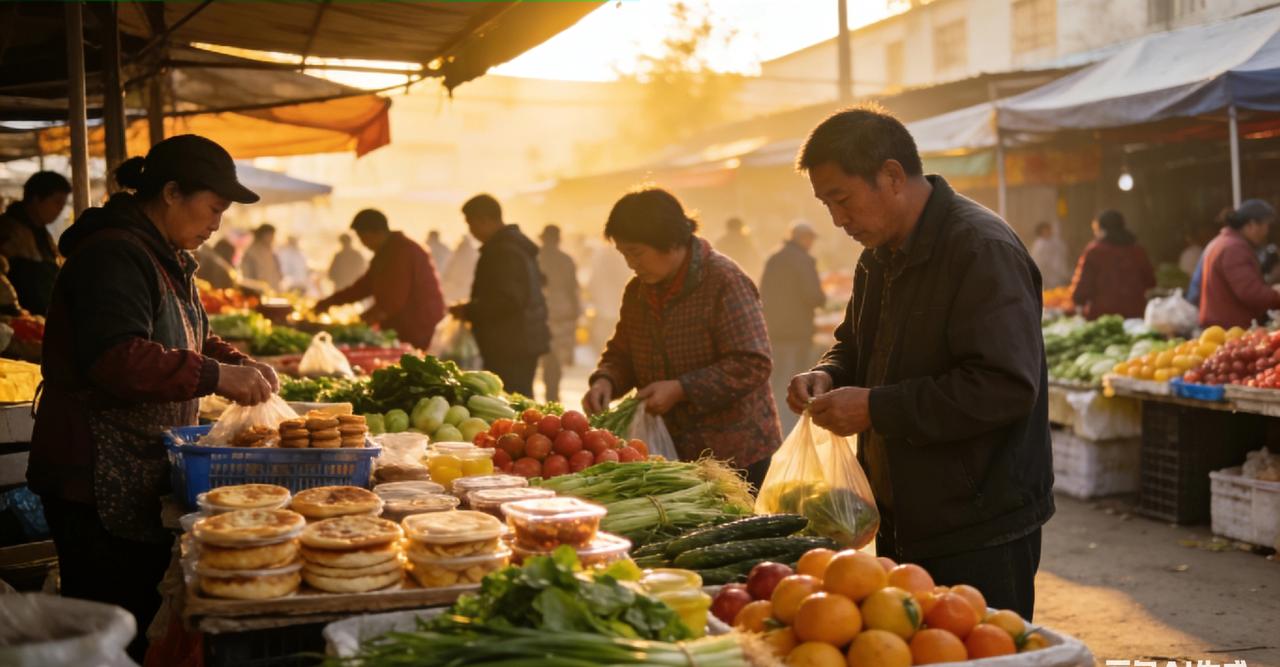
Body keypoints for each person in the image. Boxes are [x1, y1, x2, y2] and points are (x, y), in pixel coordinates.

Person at [787, 108, 1053, 620]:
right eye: (826, 205)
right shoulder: (878, 254)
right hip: (902, 515)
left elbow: (1004, 385)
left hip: (980, 522)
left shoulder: (980, 249)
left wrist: (877, 409)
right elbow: (853, 345)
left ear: (891, 176)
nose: (837, 220)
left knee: (980, 652)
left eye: (842, 200)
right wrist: (830, 373)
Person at [24, 135, 277, 661]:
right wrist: (214, 375)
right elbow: (116, 358)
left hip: (135, 463)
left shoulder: (165, 256)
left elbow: (187, 335)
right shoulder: (114, 255)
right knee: (113, 624)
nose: (216, 224)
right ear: (170, 192)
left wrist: (234, 361)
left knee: (139, 617)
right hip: (91, 474)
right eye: (213, 208)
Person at [583, 188, 781, 488]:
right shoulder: (637, 291)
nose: (631, 264)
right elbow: (622, 352)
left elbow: (752, 363)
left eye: (636, 253)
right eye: (624, 255)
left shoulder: (724, 281)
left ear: (670, 241)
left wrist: (681, 389)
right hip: (673, 452)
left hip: (736, 454)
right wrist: (606, 381)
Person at [450, 194, 549, 396]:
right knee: (517, 399)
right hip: (520, 340)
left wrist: (469, 310)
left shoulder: (504, 251)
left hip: (510, 345)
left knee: (511, 401)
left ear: (485, 220)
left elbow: (507, 300)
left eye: (471, 224)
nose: (471, 231)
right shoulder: (514, 246)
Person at [315, 209, 445, 350]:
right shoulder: (385, 252)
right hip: (402, 325)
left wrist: (360, 322)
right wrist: (330, 302)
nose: (362, 243)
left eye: (362, 237)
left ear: (373, 233)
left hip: (418, 325)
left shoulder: (402, 251)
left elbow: (392, 301)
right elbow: (364, 287)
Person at [760, 221, 825, 435]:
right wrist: (822, 299)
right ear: (801, 238)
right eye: (810, 238)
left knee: (776, 381)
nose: (811, 243)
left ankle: (772, 423)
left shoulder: (774, 257)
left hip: (774, 330)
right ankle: (792, 428)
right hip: (797, 331)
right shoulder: (803, 260)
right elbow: (813, 295)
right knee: (797, 382)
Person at [1199, 199, 1280, 329]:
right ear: (1251, 224)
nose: (1266, 232)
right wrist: (1276, 295)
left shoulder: (1223, 242)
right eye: (1266, 226)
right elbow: (1251, 293)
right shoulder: (1234, 248)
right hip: (1229, 330)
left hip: (1222, 328)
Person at [0, 171, 70, 315]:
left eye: (63, 205)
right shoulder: (8, 230)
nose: (60, 209)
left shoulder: (43, 233)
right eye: (57, 202)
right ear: (36, 199)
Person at [1068, 210, 1156, 320]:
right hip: (1135, 311)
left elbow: (1084, 284)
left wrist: (1078, 300)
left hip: (1103, 315)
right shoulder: (1137, 250)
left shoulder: (1095, 251)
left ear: (1102, 229)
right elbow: (1150, 281)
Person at [538, 224, 581, 402]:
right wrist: (576, 311)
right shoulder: (566, 260)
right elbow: (573, 289)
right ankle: (552, 391)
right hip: (562, 313)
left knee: (547, 356)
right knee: (556, 357)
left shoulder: (536, 257)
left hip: (541, 313)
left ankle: (551, 390)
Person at [715, 216, 764, 281]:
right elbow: (755, 260)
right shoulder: (746, 241)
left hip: (724, 276)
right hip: (744, 275)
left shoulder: (720, 242)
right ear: (740, 227)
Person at [239, 223, 283, 291]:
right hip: (257, 293)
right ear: (264, 235)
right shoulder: (251, 252)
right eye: (271, 235)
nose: (272, 238)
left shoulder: (271, 252)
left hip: (272, 291)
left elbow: (277, 273)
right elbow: (247, 277)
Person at [1029, 221, 1070, 289]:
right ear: (1041, 232)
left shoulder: (1056, 241)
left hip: (1057, 273)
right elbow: (1037, 260)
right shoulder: (1038, 244)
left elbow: (1063, 252)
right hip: (1045, 272)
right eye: (1045, 230)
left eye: (1048, 229)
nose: (1047, 232)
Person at [439, 235, 478, 304]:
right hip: (462, 283)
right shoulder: (471, 252)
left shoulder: (460, 252)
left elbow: (452, 265)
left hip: (461, 283)